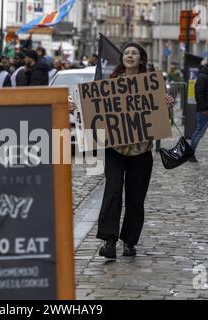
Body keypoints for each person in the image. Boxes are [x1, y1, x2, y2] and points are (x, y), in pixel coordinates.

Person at [69, 42, 174, 259]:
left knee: (136, 198)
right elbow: (95, 110)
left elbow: (163, 122)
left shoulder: (152, 86)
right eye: (126, 52)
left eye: (134, 53)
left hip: (141, 151)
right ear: (122, 58)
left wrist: (167, 106)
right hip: (115, 149)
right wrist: (77, 107)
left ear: (141, 59)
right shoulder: (111, 84)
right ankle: (109, 241)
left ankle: (129, 241)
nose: (130, 55)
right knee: (113, 192)